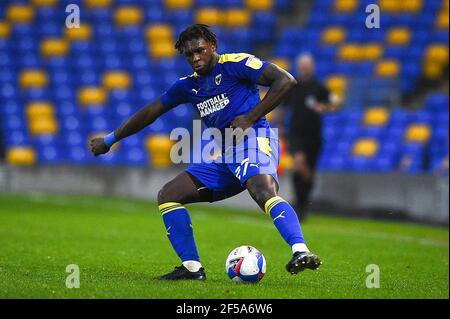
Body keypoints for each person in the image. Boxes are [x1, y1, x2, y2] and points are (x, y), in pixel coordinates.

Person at [89, 24, 321, 280]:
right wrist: (110, 139)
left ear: (212, 46)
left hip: (254, 140)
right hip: (226, 155)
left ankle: (300, 251)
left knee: (262, 191)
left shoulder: (236, 65)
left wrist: (250, 117)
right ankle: (191, 269)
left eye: (200, 50)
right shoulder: (187, 86)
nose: (195, 58)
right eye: (189, 54)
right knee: (169, 195)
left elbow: (286, 80)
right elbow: (150, 112)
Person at [283, 54, 340, 221]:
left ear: (312, 67)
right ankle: (299, 203)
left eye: (307, 66)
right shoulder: (292, 86)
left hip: (314, 136)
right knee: (298, 163)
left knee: (309, 173)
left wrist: (324, 107)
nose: (304, 69)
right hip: (295, 133)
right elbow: (283, 107)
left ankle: (302, 204)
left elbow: (335, 102)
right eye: (301, 66)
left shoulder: (319, 87)